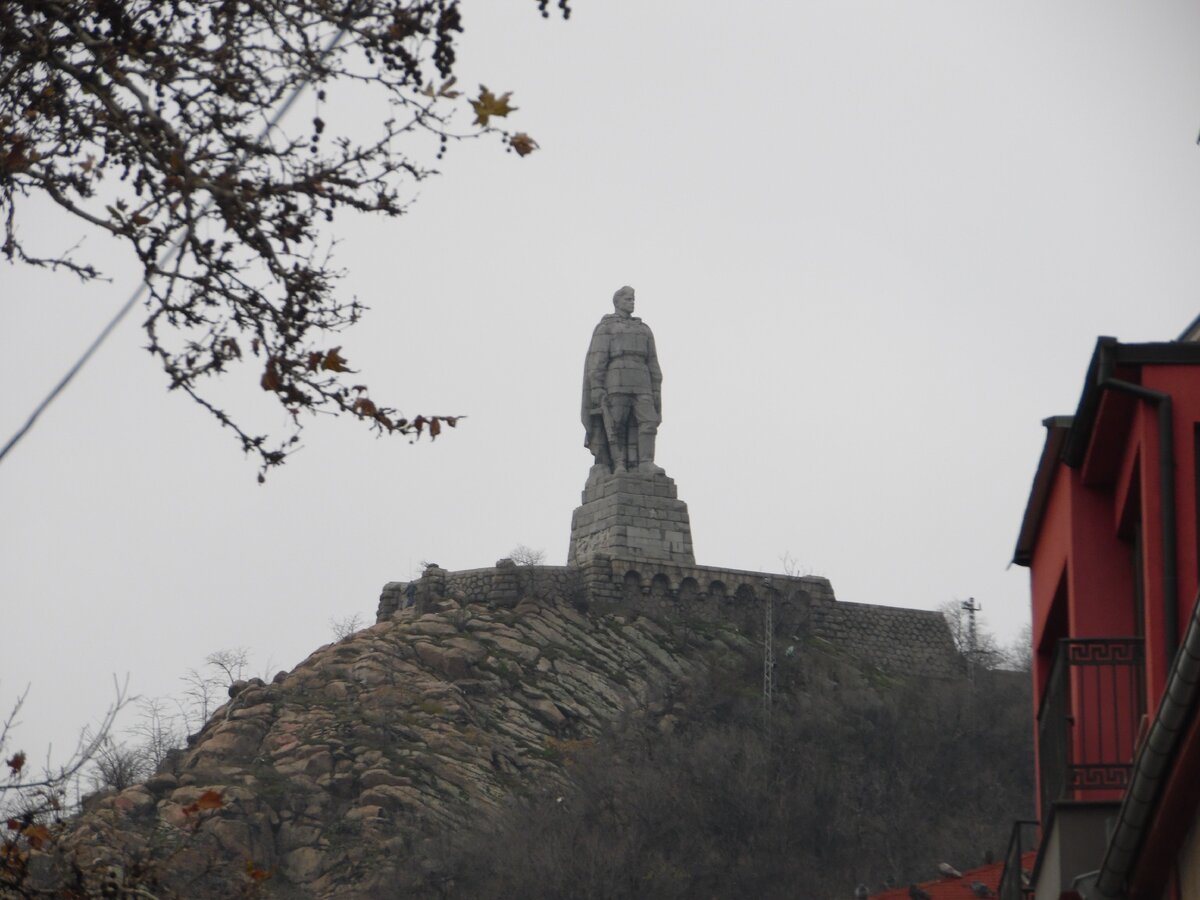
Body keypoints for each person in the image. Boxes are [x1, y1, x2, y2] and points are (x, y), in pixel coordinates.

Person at [581, 285, 664, 475]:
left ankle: (645, 462)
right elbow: (598, 359)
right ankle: (617, 464)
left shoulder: (644, 329)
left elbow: (653, 362)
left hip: (642, 381)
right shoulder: (607, 327)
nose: (632, 302)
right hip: (616, 381)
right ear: (617, 302)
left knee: (648, 422)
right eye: (628, 299)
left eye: (633, 299)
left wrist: (656, 390)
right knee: (615, 424)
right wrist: (597, 387)